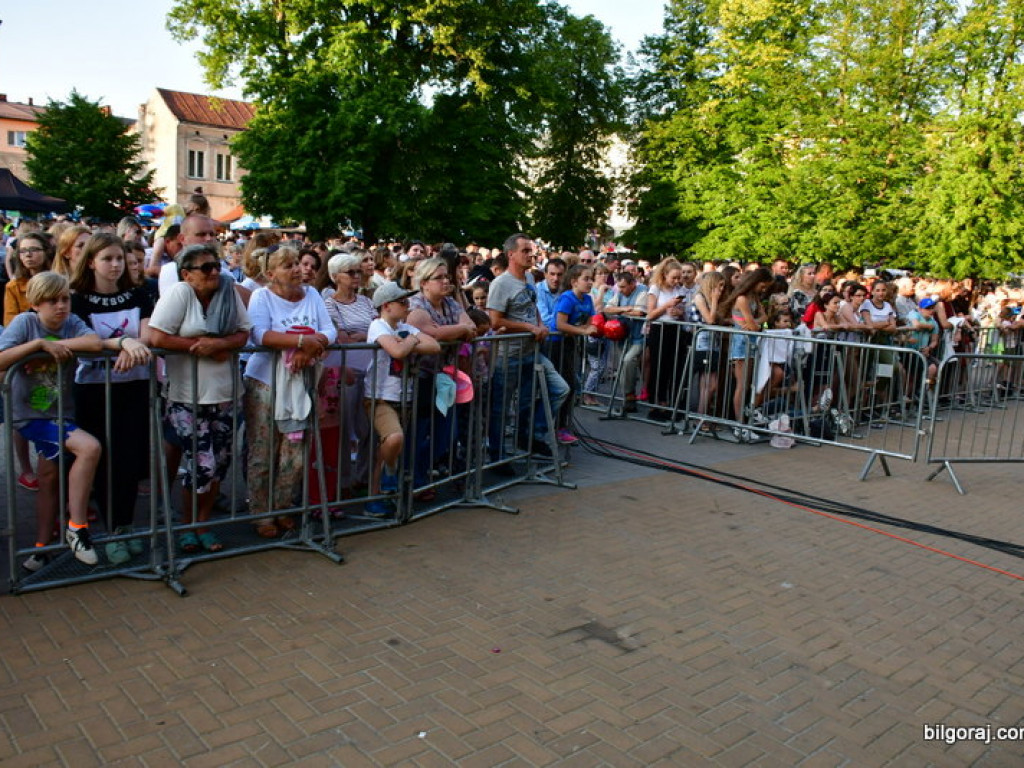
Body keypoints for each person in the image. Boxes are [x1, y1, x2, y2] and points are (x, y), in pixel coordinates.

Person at [0, 272, 127, 569]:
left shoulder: (71, 323)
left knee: (48, 477)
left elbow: (95, 342)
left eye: (65, 299)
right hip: (29, 415)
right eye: (51, 301)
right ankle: (77, 528)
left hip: (60, 412)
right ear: (35, 304)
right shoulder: (25, 323)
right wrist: (39, 345)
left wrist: (122, 342)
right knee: (89, 447)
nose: (60, 306)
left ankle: (42, 547)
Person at [148, 243, 252, 554]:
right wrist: (198, 345)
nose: (215, 272)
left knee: (219, 464)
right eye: (206, 268)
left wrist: (221, 345)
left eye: (216, 265)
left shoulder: (228, 291)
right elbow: (157, 336)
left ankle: (202, 525)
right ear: (187, 274)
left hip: (226, 393)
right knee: (200, 464)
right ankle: (188, 525)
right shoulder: (180, 294)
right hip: (187, 396)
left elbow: (244, 332)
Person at [70, 234, 154, 564]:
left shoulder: (139, 293)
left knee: (129, 460)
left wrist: (135, 346)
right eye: (107, 258)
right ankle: (110, 530)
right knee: (103, 460)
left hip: (133, 386)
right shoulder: (78, 300)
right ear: (91, 261)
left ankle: (125, 525)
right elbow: (86, 341)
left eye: (119, 258)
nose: (115, 264)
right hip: (93, 390)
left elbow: (146, 334)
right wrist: (123, 344)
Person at [244, 245, 335, 538]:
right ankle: (261, 512)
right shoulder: (262, 296)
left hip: (301, 382)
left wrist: (309, 349)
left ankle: (282, 506)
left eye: (297, 263)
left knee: (294, 452)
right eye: (288, 265)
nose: (297, 269)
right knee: (264, 449)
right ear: (271, 274)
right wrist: (300, 344)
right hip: (266, 382)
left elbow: (329, 331)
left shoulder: (313, 295)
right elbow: (260, 334)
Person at [486, 234, 569, 461]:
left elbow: (533, 307)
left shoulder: (531, 278)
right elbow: (495, 321)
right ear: (511, 254)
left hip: (531, 351)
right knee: (501, 407)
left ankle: (531, 434)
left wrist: (540, 325)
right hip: (508, 355)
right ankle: (498, 455)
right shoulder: (500, 284)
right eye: (525, 250)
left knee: (558, 389)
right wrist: (528, 327)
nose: (530, 254)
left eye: (531, 250)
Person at [364, 282, 441, 517]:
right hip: (380, 396)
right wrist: (409, 343)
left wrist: (407, 342)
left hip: (403, 396)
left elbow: (435, 345)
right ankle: (386, 477)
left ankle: (376, 496)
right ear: (386, 306)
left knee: (390, 445)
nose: (408, 306)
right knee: (394, 438)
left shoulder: (404, 327)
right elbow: (397, 352)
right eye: (402, 302)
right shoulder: (378, 325)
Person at [407, 258, 476, 497]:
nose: (446, 281)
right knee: (419, 430)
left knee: (446, 432)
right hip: (420, 377)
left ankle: (423, 475)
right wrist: (460, 331)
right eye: (439, 277)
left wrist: (458, 330)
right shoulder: (415, 305)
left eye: (447, 276)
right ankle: (414, 481)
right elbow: (431, 333)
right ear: (424, 282)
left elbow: (470, 324)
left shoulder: (450, 303)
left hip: (444, 376)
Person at [322, 252, 378, 498]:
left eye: (358, 271)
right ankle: (343, 479)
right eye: (351, 272)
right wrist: (364, 335)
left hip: (370, 370)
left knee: (368, 427)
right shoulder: (329, 304)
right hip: (344, 372)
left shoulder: (366, 302)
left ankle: (364, 476)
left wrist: (361, 336)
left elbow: (378, 329)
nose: (357, 276)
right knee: (344, 428)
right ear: (335, 277)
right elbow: (340, 337)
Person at [550, 264, 599, 442]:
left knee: (571, 384)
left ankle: (563, 424)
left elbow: (589, 321)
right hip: (555, 344)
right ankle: (555, 426)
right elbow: (560, 324)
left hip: (570, 343)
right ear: (573, 282)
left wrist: (588, 328)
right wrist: (583, 331)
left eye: (591, 278)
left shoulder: (587, 300)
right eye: (586, 279)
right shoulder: (567, 298)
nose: (590, 282)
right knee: (562, 385)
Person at [720, 266, 772, 423]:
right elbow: (754, 324)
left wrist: (755, 323)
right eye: (762, 286)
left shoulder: (754, 298)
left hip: (751, 341)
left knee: (748, 384)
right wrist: (755, 324)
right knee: (742, 385)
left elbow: (763, 318)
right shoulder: (742, 299)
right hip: (742, 343)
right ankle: (739, 421)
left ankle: (743, 419)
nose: (763, 289)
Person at [645, 258, 687, 420]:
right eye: (674, 278)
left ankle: (671, 404)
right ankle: (656, 404)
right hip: (659, 330)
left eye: (679, 278)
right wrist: (666, 306)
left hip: (675, 330)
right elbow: (650, 314)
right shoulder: (655, 289)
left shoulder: (678, 290)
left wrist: (679, 312)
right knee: (659, 368)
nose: (677, 281)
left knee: (674, 368)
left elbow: (682, 312)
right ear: (664, 275)